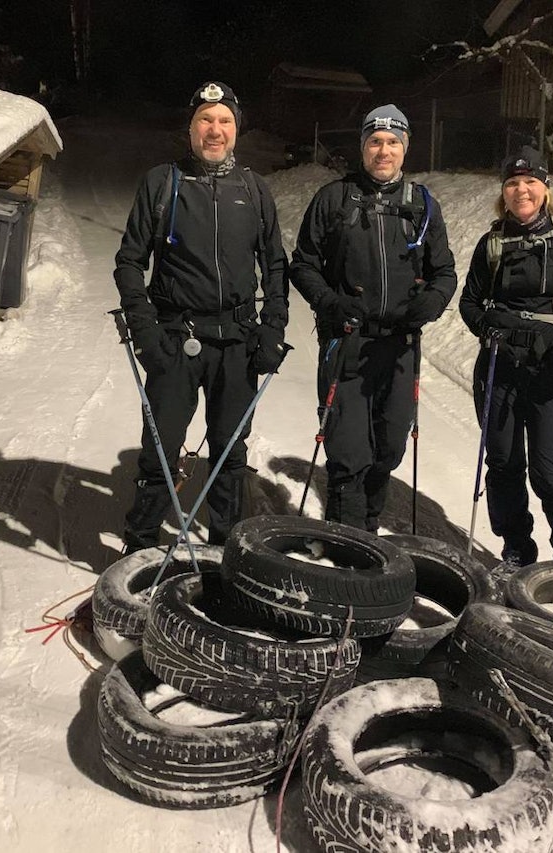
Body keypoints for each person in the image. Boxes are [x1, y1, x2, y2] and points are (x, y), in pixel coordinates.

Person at [113, 81, 289, 552]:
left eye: (225, 121)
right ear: (190, 128)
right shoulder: (163, 182)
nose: (216, 130)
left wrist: (273, 329)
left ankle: (224, 549)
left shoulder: (253, 189)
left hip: (237, 340)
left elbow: (275, 265)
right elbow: (130, 260)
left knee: (230, 452)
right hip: (175, 337)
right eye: (206, 120)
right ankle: (141, 545)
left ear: (236, 129)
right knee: (162, 449)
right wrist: (144, 330)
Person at [290, 105, 457, 532]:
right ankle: (347, 539)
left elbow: (444, 271)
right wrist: (329, 302)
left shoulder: (422, 204)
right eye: (375, 142)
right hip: (347, 341)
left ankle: (367, 524)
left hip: (398, 345)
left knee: (389, 445)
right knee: (348, 449)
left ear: (405, 150)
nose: (384, 150)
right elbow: (303, 263)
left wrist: (433, 301)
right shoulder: (334, 198)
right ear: (363, 148)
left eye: (393, 142)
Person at [458, 145, 553, 567]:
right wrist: (486, 326)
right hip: (500, 365)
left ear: (545, 187)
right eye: (512, 183)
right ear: (503, 192)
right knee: (505, 464)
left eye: (530, 181)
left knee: (550, 471)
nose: (521, 190)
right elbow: (469, 302)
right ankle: (516, 551)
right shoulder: (492, 242)